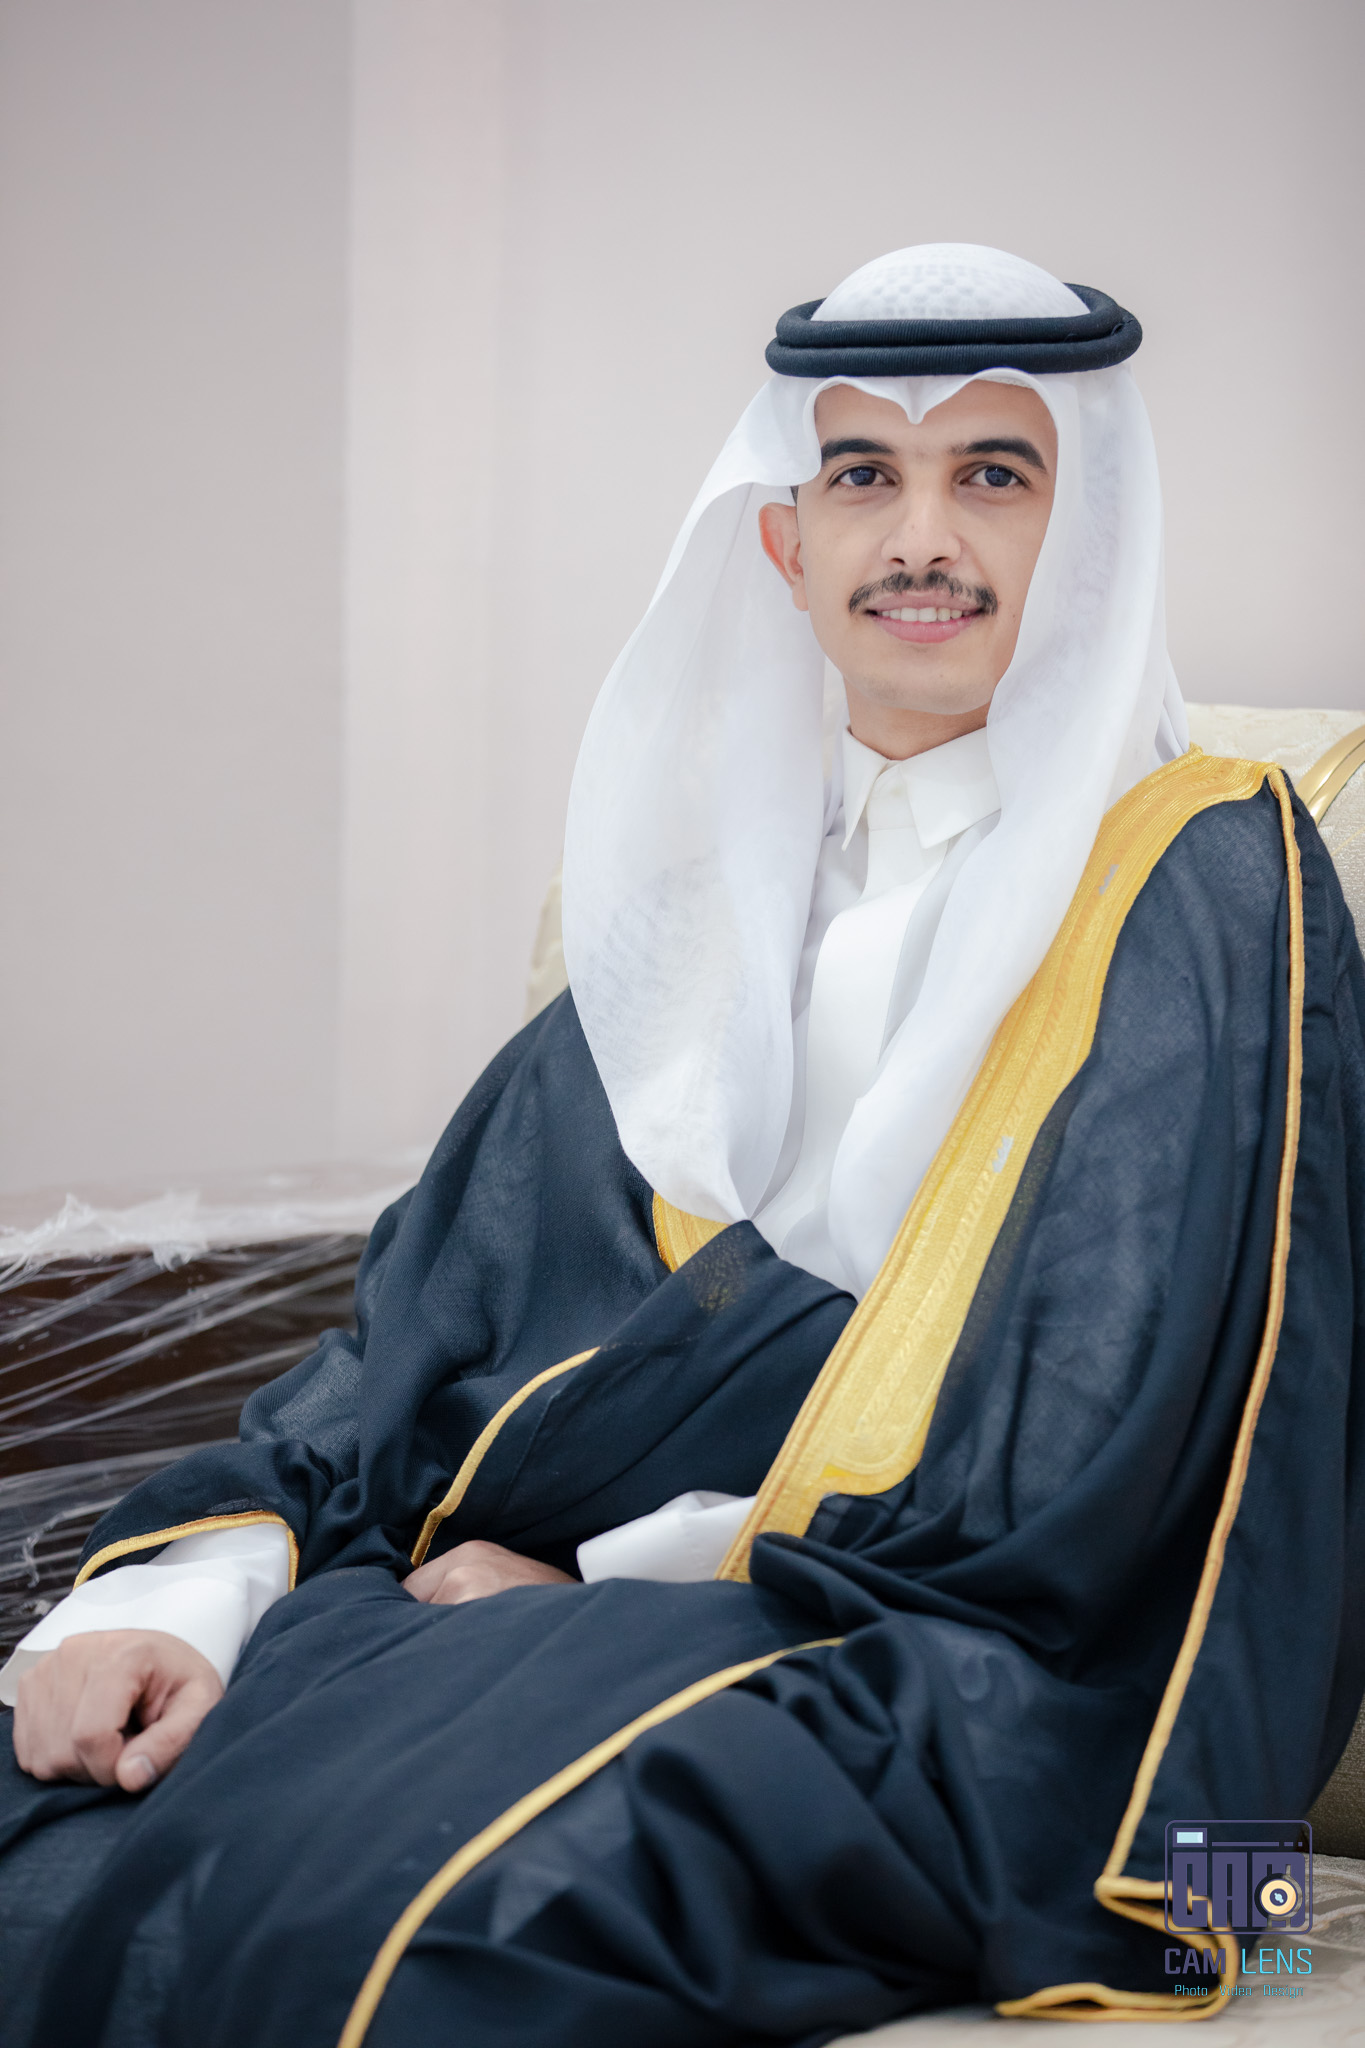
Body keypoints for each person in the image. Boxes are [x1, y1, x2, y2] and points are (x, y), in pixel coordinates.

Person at [2, 242, 1363, 2048]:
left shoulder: (1200, 879)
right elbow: (417, 1336)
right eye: (863, 473)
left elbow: (1108, 1440)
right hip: (564, 1608)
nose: (921, 539)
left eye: (993, 475)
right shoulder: (701, 903)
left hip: (978, 1676)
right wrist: (183, 1596)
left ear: (1089, 535)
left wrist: (610, 1581)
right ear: (784, 545)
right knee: (70, 1818)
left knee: (408, 1927)